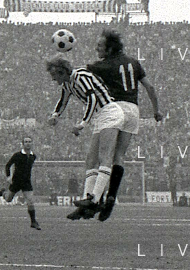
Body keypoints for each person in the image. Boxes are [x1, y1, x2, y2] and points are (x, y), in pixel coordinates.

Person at [86, 29, 163, 220]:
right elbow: (150, 87)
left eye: (100, 46)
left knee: (103, 156)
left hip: (114, 109)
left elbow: (81, 74)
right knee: (119, 155)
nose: (96, 48)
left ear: (110, 48)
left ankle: (96, 197)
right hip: (132, 110)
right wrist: (156, 110)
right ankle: (111, 196)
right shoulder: (134, 62)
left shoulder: (103, 65)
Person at [45, 56, 119, 220]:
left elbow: (92, 98)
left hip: (110, 112)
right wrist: (55, 115)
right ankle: (86, 202)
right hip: (100, 117)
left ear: (62, 72)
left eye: (54, 75)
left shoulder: (81, 76)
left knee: (105, 157)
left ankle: (95, 200)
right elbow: (63, 100)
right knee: (90, 160)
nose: (53, 79)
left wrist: (82, 123)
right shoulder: (67, 83)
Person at [0, 136, 41, 230]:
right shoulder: (17, 155)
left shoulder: (33, 156)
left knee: (30, 201)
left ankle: (33, 222)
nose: (28, 143)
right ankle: (3, 193)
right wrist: (8, 176)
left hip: (26, 182)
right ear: (23, 144)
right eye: (26, 142)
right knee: (8, 199)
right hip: (16, 181)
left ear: (32, 143)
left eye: (29, 141)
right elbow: (8, 165)